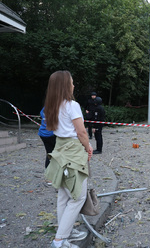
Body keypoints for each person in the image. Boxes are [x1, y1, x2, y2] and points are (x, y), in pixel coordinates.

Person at [44, 70, 93, 248]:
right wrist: (88, 147)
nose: (73, 85)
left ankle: (66, 231)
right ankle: (59, 241)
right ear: (65, 85)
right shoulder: (72, 105)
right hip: (73, 152)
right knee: (78, 196)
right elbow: (81, 132)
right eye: (71, 82)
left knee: (63, 195)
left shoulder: (52, 106)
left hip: (59, 150)